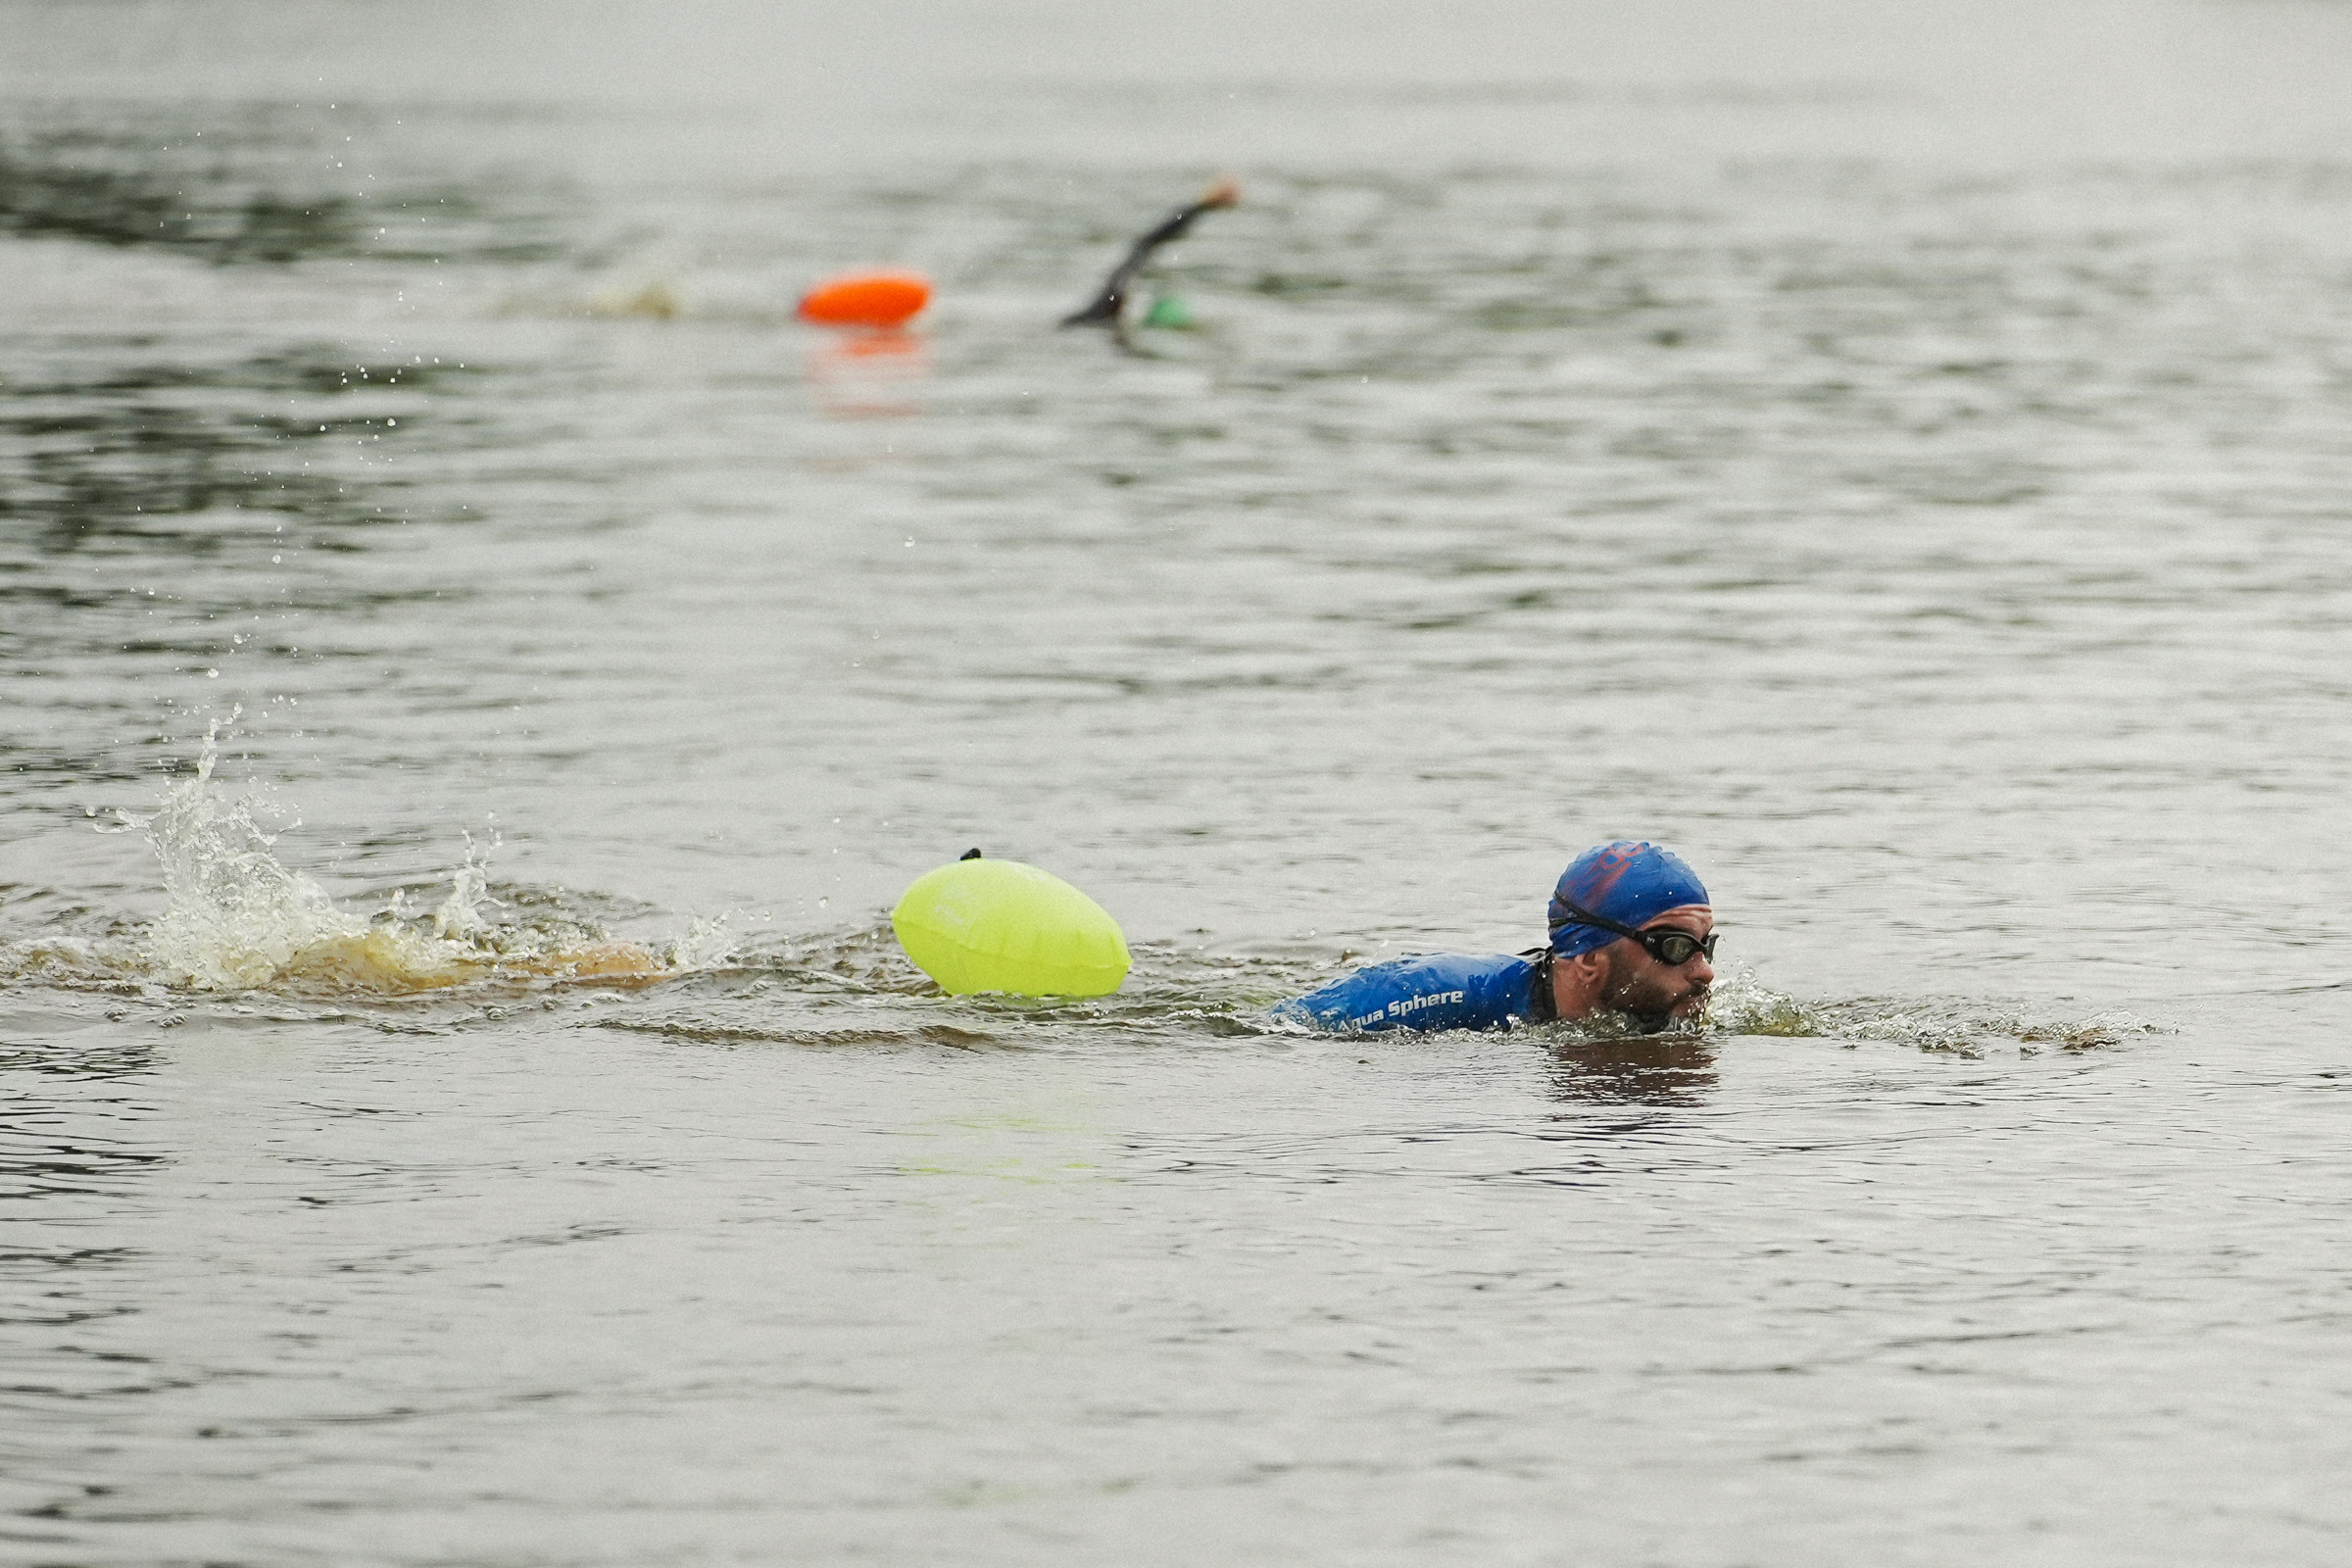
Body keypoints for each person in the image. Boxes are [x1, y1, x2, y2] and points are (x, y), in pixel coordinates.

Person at [1279, 841, 1716, 1034]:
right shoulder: (1442, 992)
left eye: (1705, 945)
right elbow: (1281, 1029)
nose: (1706, 972)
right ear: (1588, 962)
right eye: (1675, 947)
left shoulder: (1660, 1012)